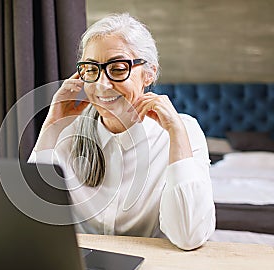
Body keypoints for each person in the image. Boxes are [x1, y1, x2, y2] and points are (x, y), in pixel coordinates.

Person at [28, 13, 215, 250]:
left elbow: (189, 237)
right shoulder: (68, 131)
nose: (102, 85)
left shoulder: (183, 131)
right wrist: (52, 123)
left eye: (117, 69)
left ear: (148, 74)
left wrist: (177, 134)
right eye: (91, 70)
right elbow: (32, 219)